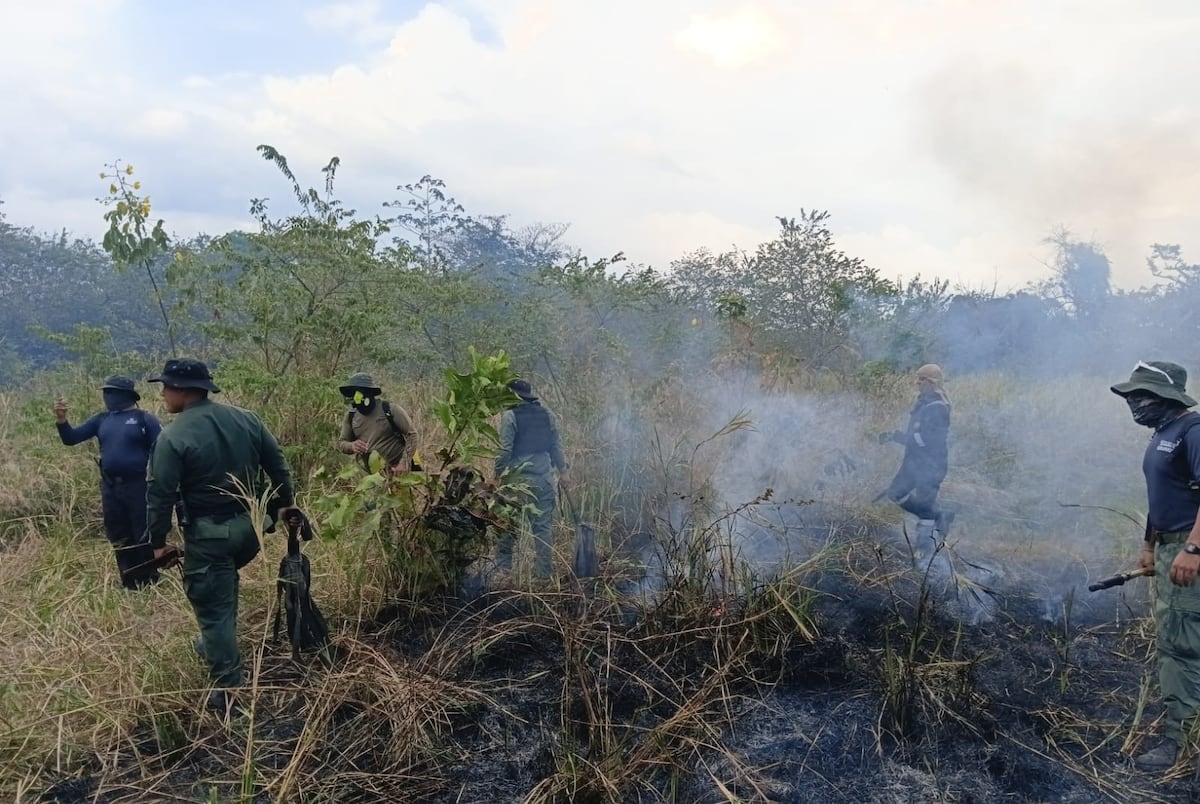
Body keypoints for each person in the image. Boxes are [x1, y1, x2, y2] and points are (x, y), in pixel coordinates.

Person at [144, 358, 296, 712]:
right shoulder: (246, 418)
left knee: (213, 606)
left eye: (166, 387)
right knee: (221, 591)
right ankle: (213, 642)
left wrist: (156, 544)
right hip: (253, 529)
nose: (163, 394)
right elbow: (278, 465)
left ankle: (230, 692)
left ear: (182, 390)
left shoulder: (173, 436)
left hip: (211, 535)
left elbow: (159, 496)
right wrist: (286, 505)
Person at [1111, 360, 1200, 770]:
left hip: (1189, 550)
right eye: (1130, 396)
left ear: (1168, 397)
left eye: (1141, 395)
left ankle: (1180, 742)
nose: (1133, 403)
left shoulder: (1193, 432)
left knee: (1180, 647)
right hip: (1169, 547)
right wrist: (1149, 545)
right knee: (1182, 637)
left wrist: (1192, 550)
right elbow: (1160, 495)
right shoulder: (1161, 434)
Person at [54, 376, 162, 589]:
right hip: (111, 487)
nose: (108, 397)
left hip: (139, 485)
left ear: (127, 395)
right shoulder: (101, 420)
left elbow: (163, 449)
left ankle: (150, 579)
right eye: (106, 392)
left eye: (112, 392)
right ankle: (129, 581)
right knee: (118, 533)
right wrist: (61, 420)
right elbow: (71, 439)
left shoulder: (144, 419)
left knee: (142, 532)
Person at [494, 379, 568, 577]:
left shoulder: (510, 416)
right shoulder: (548, 414)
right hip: (544, 479)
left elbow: (504, 451)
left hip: (517, 482)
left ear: (513, 396)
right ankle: (544, 576)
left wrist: (496, 476)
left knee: (507, 527)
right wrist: (563, 473)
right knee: (543, 529)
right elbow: (556, 446)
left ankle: (503, 573)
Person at [879, 363, 954, 547]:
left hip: (931, 466)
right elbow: (916, 436)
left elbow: (928, 440)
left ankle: (925, 551)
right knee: (896, 493)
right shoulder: (924, 402)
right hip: (914, 463)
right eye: (918, 379)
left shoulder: (938, 407)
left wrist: (902, 437)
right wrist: (894, 436)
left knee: (925, 507)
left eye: (922, 379)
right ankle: (937, 515)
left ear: (932, 382)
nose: (917, 383)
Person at [335, 372, 418, 474]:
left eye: (360, 393)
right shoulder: (351, 416)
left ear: (370, 393)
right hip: (371, 475)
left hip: (397, 470)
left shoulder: (389, 409)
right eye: (353, 393)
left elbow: (412, 435)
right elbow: (342, 443)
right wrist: (352, 446)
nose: (357, 398)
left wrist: (404, 462)